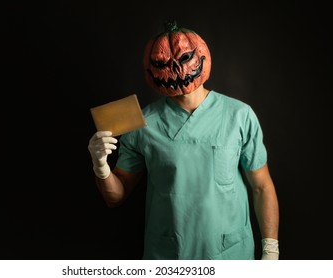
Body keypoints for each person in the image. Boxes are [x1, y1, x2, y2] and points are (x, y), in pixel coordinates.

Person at [88, 20, 279, 260]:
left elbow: (262, 186)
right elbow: (115, 196)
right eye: (161, 63)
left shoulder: (239, 115)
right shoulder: (141, 124)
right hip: (170, 255)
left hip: (231, 254)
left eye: (185, 57)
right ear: (150, 68)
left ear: (201, 55)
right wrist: (101, 166)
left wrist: (271, 249)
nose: (176, 69)